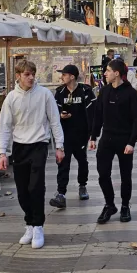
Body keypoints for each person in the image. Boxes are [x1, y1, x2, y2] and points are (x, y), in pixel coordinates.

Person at [0, 60, 65, 250]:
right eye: (27, 74)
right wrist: (2, 152)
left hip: (39, 145)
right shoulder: (11, 98)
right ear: (18, 75)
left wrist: (59, 146)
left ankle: (38, 226)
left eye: (33, 73)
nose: (31, 77)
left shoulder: (44, 94)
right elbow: (5, 126)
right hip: (20, 146)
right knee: (22, 190)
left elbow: (54, 121)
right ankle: (29, 224)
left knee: (36, 187)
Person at [89, 59, 137, 224]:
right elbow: (98, 115)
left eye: (108, 70)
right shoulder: (104, 91)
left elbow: (136, 120)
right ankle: (109, 204)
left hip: (124, 140)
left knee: (126, 176)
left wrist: (131, 142)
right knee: (103, 174)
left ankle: (125, 206)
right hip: (107, 139)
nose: (105, 73)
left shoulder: (131, 93)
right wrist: (93, 137)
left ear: (117, 73)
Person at [50, 65, 95, 209]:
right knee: (63, 163)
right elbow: (53, 112)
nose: (62, 77)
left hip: (81, 133)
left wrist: (92, 134)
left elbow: (92, 112)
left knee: (82, 161)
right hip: (64, 134)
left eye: (64, 74)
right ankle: (61, 193)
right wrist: (61, 115)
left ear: (72, 77)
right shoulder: (59, 92)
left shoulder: (85, 91)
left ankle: (82, 185)